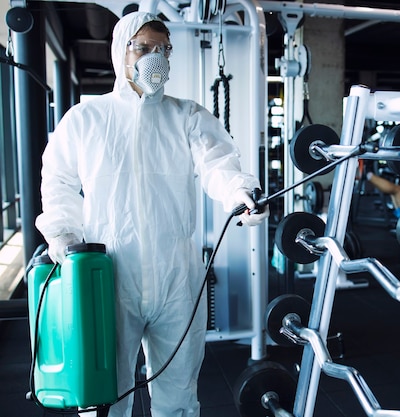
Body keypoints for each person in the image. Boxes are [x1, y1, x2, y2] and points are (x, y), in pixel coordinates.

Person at [35, 11, 268, 417]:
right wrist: (63, 235)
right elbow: (57, 182)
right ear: (120, 52)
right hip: (107, 278)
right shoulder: (86, 119)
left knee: (178, 396)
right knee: (104, 395)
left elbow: (218, 165)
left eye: (163, 50)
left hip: (176, 278)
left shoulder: (187, 116)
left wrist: (240, 193)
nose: (155, 59)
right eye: (143, 48)